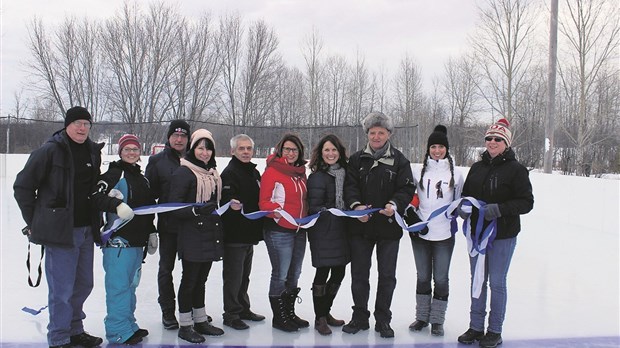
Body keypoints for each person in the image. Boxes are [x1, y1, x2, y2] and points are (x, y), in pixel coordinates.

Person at [13, 106, 133, 348]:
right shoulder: (49, 151)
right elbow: (23, 187)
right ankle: (59, 337)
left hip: (86, 230)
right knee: (62, 290)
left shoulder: (91, 151)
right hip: (60, 233)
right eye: (77, 123)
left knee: (83, 284)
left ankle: (75, 330)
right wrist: (35, 223)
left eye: (86, 124)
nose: (82, 128)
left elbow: (91, 192)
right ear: (67, 125)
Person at [456, 118, 534, 348]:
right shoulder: (477, 167)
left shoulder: (516, 170)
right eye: (489, 138)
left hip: (503, 235)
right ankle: (476, 326)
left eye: (497, 139)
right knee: (477, 280)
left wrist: (500, 209)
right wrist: (463, 207)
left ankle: (494, 330)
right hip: (477, 234)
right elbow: (467, 193)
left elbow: (526, 202)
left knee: (497, 282)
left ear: (506, 143)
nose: (492, 142)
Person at [342, 111, 415, 338]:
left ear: (388, 134)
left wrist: (395, 203)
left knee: (387, 276)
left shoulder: (400, 160)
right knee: (360, 275)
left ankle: (383, 319)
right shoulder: (356, 159)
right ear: (367, 134)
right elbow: (349, 186)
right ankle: (360, 317)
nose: (376, 136)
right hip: (361, 227)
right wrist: (356, 207)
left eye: (380, 132)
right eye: (372, 132)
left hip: (388, 228)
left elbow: (406, 188)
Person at [91, 134, 156, 345]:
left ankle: (129, 325)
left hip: (138, 243)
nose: (131, 153)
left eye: (134, 149)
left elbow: (147, 209)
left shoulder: (142, 177)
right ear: (120, 152)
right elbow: (94, 196)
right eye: (126, 149)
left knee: (130, 287)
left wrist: (152, 231)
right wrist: (116, 206)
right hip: (118, 242)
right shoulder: (114, 173)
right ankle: (117, 331)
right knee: (118, 287)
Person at [167, 129, 225, 343]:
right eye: (201, 147)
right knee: (190, 279)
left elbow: (215, 203)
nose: (205, 152)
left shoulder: (211, 172)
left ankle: (200, 320)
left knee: (201, 279)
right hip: (191, 233)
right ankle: (185, 324)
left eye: (208, 148)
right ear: (192, 148)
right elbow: (173, 207)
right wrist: (195, 210)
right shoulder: (184, 172)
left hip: (209, 232)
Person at [405, 125, 463, 337]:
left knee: (440, 278)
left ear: (446, 148)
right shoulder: (418, 171)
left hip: (444, 235)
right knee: (422, 276)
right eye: (433, 146)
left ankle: (437, 320)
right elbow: (410, 198)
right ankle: (422, 317)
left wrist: (458, 215)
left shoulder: (456, 174)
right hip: (421, 233)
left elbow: (460, 202)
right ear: (428, 149)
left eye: (441, 146)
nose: (437, 150)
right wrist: (411, 216)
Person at [259, 133, 309, 333]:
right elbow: (263, 203)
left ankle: (289, 313)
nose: (290, 153)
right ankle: (279, 318)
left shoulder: (300, 172)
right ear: (280, 150)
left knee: (294, 274)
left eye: (294, 150)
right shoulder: (272, 171)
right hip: (279, 230)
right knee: (280, 274)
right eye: (287, 149)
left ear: (300, 153)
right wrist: (280, 214)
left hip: (299, 230)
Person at [145, 119, 192, 330]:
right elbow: (148, 197)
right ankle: (167, 311)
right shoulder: (157, 162)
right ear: (169, 137)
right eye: (176, 135)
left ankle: (188, 310)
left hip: (192, 226)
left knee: (192, 271)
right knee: (166, 269)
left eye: (183, 136)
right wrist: (149, 228)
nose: (179, 139)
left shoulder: (196, 159)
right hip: (168, 227)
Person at [220, 134, 266, 330]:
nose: (246, 152)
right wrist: (231, 204)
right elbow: (224, 200)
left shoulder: (254, 173)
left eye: (248, 148)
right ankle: (231, 313)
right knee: (233, 276)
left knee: (244, 275)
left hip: (249, 234)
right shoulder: (229, 173)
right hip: (234, 235)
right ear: (232, 151)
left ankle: (243, 307)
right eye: (241, 148)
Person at [306, 134, 350, 335]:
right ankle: (319, 317)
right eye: (327, 150)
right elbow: (314, 207)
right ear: (320, 153)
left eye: (334, 150)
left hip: (342, 230)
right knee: (323, 272)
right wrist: (331, 212)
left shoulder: (346, 173)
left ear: (339, 152)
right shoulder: (317, 176)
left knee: (339, 271)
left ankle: (326, 311)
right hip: (323, 231)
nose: (331, 154)